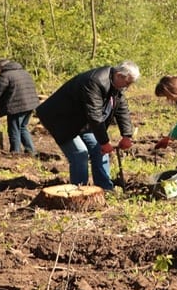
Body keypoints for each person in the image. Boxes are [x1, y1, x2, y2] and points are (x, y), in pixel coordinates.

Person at [35, 61, 138, 192]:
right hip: (61, 120)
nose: (128, 87)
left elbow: (121, 109)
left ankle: (105, 189)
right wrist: (104, 142)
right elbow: (95, 116)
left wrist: (126, 135)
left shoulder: (117, 86)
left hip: (81, 121)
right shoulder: (94, 81)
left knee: (99, 150)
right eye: (128, 83)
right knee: (80, 153)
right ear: (119, 75)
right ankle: (80, 191)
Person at [0, 59, 40, 154]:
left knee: (14, 129)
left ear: (1, 66)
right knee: (22, 127)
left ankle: (15, 152)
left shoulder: (5, 75)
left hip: (16, 106)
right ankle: (31, 150)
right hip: (30, 104)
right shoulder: (24, 73)